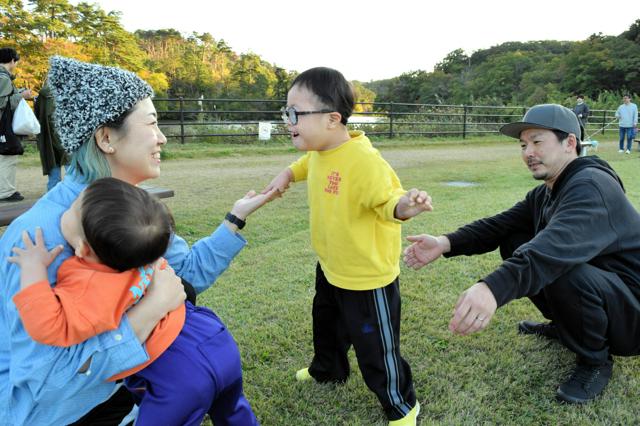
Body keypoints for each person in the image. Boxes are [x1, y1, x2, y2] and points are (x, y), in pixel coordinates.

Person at [0, 56, 278, 425]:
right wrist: (150, 310)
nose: (162, 137)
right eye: (151, 123)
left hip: (123, 393)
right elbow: (46, 383)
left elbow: (186, 272)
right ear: (106, 138)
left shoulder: (131, 207)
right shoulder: (41, 238)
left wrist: (235, 218)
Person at [404, 104, 640, 405]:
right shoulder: (549, 191)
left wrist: (491, 288)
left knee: (561, 268)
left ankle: (595, 361)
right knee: (515, 240)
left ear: (570, 143)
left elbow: (548, 252)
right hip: (608, 295)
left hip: (632, 313)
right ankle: (566, 326)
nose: (528, 152)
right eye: (523, 144)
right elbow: (501, 224)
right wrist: (445, 242)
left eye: (538, 141)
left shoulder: (591, 186)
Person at [9, 177, 259, 425]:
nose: (67, 207)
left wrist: (33, 270)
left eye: (73, 209)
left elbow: (50, 326)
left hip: (177, 374)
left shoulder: (89, 284)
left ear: (83, 249)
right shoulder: (143, 252)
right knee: (234, 414)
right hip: (213, 337)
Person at [264, 67, 433, 426]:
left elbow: (390, 201)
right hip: (331, 267)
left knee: (376, 350)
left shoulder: (364, 161)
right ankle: (328, 369)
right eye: (286, 112)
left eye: (295, 113)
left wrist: (408, 206)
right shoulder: (320, 150)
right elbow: (306, 162)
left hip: (367, 278)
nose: (287, 120)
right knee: (326, 328)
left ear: (332, 119)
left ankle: (402, 406)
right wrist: (287, 174)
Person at [0, 47, 33, 201]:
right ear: (12, 60)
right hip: (3, 125)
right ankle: (6, 192)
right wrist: (22, 95)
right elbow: (3, 103)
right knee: (7, 156)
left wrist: (17, 92)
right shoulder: (3, 78)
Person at [34, 81, 66, 191]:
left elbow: (38, 114)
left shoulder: (42, 95)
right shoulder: (68, 91)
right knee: (73, 172)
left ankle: (53, 195)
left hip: (48, 138)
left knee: (53, 167)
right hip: (66, 137)